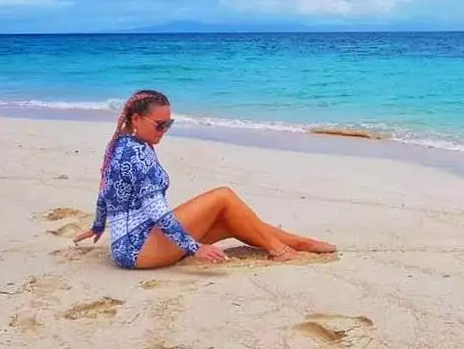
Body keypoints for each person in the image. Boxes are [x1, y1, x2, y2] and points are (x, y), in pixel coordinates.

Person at [73, 89, 336, 269]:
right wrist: (195, 247)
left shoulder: (121, 145)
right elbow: (158, 211)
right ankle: (280, 250)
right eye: (159, 125)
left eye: (169, 124)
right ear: (136, 119)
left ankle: (299, 243)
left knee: (231, 221)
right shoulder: (137, 155)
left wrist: (98, 226)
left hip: (129, 244)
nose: (164, 131)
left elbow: (105, 191)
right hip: (138, 248)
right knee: (223, 196)